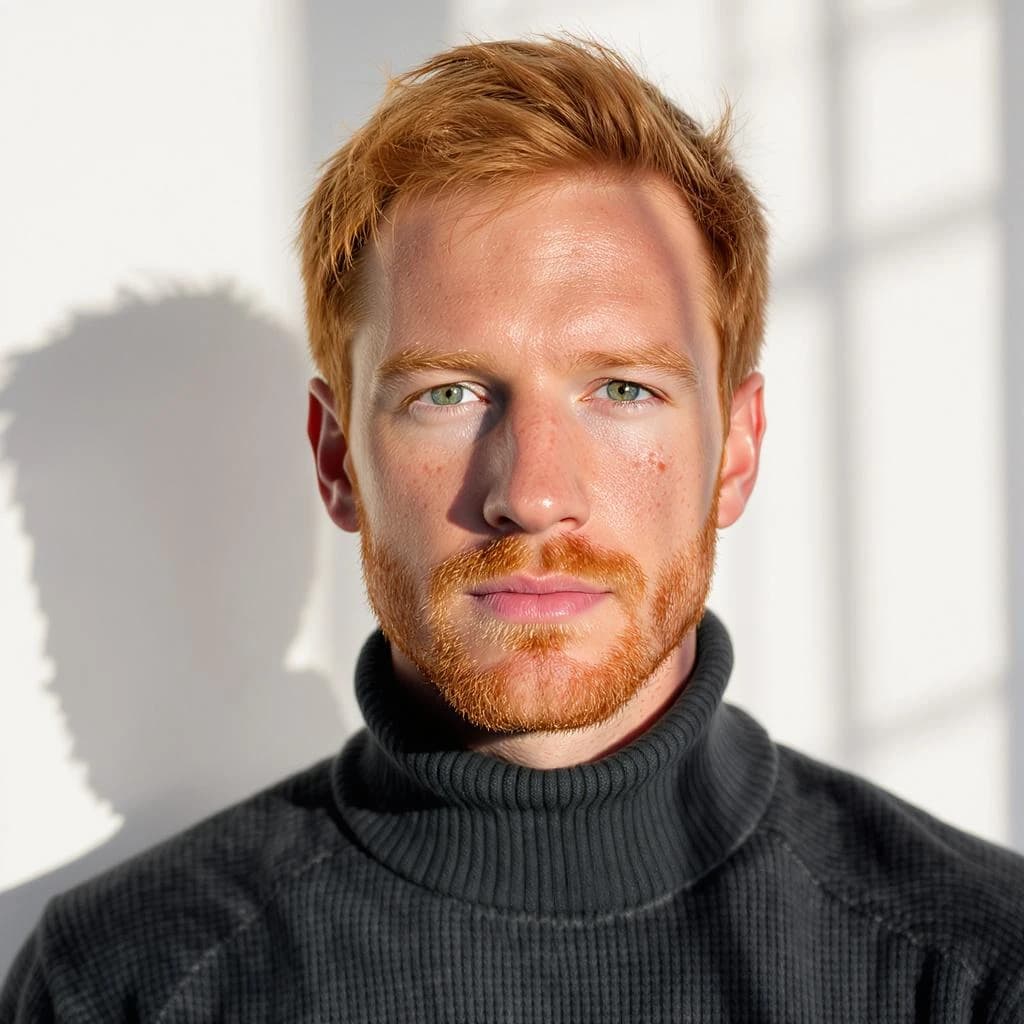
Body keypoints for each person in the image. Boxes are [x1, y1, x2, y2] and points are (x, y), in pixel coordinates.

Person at [3, 35, 1024, 1023]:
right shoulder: (127, 982)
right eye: (448, 393)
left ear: (737, 450)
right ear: (336, 458)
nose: (530, 494)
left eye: (621, 387)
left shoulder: (980, 970)